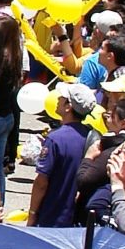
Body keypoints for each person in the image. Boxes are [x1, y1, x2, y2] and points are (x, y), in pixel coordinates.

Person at [29, 81, 93, 227]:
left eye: (61, 98)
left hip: (51, 216)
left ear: (68, 107)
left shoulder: (55, 139)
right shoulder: (90, 135)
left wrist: (32, 214)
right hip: (75, 217)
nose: (57, 99)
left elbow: (41, 182)